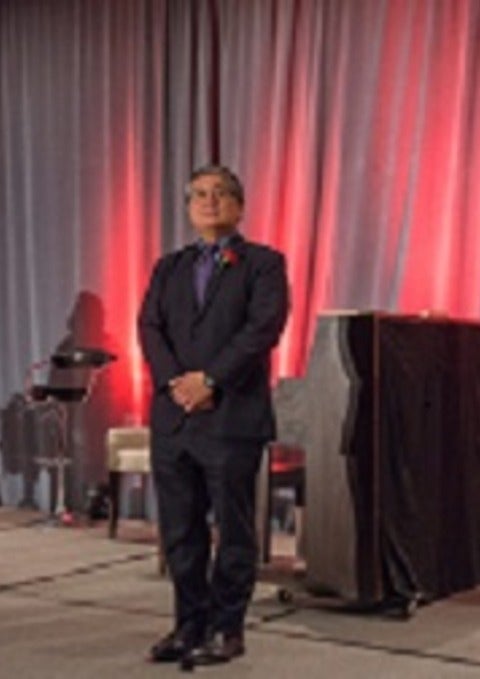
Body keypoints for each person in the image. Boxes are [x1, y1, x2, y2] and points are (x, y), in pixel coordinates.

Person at [138, 165, 290, 666]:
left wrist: (210, 380)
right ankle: (189, 625)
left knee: (234, 529)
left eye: (221, 193)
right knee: (181, 531)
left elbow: (262, 329)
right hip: (175, 417)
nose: (209, 201)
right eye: (199, 194)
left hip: (231, 416)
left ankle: (227, 629)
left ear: (239, 206)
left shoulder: (263, 264)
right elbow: (149, 327)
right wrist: (175, 384)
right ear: (188, 207)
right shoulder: (169, 267)